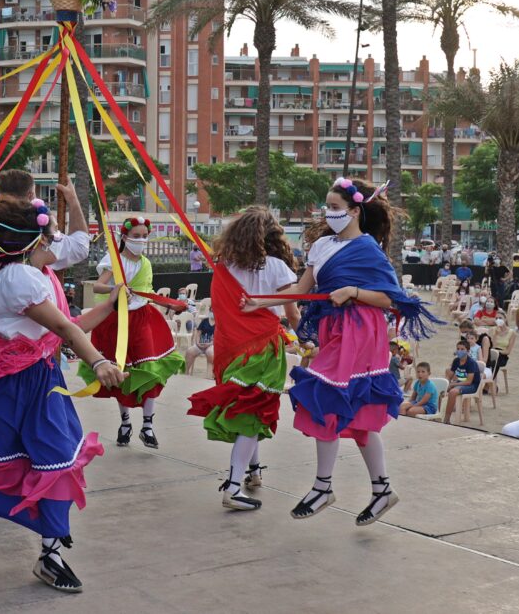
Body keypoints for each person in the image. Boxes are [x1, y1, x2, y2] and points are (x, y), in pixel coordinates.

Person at [0, 195, 127, 592]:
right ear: (31, 242)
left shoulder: (29, 273)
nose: (55, 242)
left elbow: (68, 325)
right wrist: (99, 361)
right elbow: (65, 329)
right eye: (49, 236)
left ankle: (50, 554)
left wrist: (110, 306)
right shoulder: (17, 278)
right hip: (5, 383)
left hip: (38, 381)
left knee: (56, 461)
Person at [244, 178, 438, 526]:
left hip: (361, 331)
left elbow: (389, 299)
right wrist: (260, 302)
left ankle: (323, 487)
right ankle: (381, 490)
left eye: (334, 207)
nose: (328, 213)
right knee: (357, 413)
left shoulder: (368, 249)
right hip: (335, 331)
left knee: (326, 398)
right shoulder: (321, 246)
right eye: (327, 207)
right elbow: (301, 290)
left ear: (355, 210)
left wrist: (352, 291)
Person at [188, 206, 300, 510]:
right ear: (272, 235)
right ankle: (234, 487)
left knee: (247, 408)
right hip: (263, 348)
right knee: (254, 412)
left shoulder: (223, 267)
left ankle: (253, 470)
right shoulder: (276, 267)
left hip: (228, 348)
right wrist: (305, 339)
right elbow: (292, 312)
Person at [83, 217, 185, 449]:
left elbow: (147, 292)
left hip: (142, 318)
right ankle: (125, 422)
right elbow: (97, 286)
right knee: (121, 370)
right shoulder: (115, 260)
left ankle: (147, 425)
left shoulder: (146, 263)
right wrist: (116, 289)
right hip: (117, 320)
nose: (141, 240)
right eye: (136, 236)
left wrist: (170, 304)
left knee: (150, 368)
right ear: (125, 237)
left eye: (144, 236)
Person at [0, 173, 90, 340]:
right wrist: (73, 200)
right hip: (15, 336)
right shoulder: (37, 236)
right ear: (31, 195)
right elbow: (80, 247)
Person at [443, 340, 483, 424]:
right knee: (441, 389)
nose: (459, 351)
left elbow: (468, 382)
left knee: (453, 392)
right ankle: (440, 415)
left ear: (468, 351)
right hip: (460, 382)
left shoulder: (471, 363)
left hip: (472, 386)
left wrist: (453, 384)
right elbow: (450, 376)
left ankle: (446, 419)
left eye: (462, 349)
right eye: (458, 349)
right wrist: (446, 384)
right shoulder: (456, 361)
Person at [185, 312, 215, 377]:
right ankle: (186, 372)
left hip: (211, 345)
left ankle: (209, 375)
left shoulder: (220, 323)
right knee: (190, 351)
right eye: (211, 310)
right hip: (200, 344)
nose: (213, 312)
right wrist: (198, 343)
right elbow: (198, 333)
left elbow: (219, 338)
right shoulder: (205, 321)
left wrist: (210, 344)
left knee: (210, 353)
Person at [488, 310, 516, 377]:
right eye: (496, 318)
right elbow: (492, 346)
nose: (498, 320)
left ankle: (490, 379)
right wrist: (495, 334)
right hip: (491, 352)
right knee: (490, 360)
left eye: (500, 318)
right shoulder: (492, 330)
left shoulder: (512, 333)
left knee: (495, 361)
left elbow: (507, 351)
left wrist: (497, 351)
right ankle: (489, 379)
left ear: (505, 319)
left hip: (502, 355)